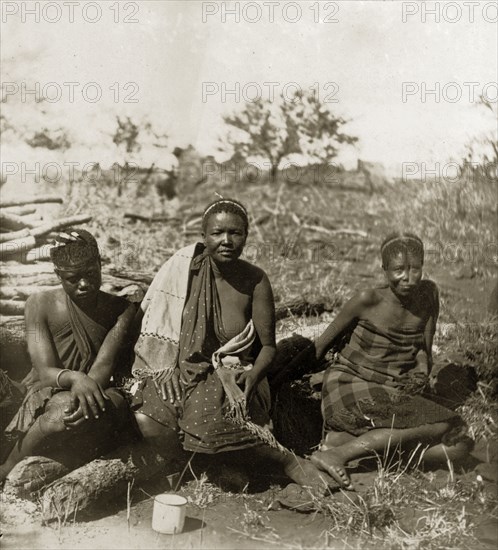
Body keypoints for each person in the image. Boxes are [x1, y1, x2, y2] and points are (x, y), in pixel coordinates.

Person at [130, 198, 333, 491]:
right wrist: (163, 368)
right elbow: (154, 323)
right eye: (217, 233)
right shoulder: (184, 271)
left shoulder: (255, 281)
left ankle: (286, 461)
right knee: (147, 418)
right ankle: (203, 462)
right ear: (204, 236)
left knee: (210, 419)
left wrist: (253, 375)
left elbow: (267, 348)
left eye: (235, 233)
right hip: (176, 369)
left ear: (246, 236)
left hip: (230, 372)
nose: (226, 240)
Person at [301, 233, 472, 490]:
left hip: (392, 389)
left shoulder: (428, 296)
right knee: (443, 423)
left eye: (415, 269)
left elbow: (424, 348)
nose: (408, 278)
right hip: (350, 383)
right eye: (399, 270)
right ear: (384, 270)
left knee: (461, 445)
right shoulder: (367, 299)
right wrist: (285, 376)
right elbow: (321, 344)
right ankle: (338, 454)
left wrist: (422, 370)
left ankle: (352, 445)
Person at [0, 229, 136, 481]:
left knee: (70, 408)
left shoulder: (121, 310)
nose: (84, 284)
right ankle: (8, 467)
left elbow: (104, 365)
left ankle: (11, 468)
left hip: (102, 388)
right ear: (58, 275)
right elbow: (43, 368)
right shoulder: (39, 304)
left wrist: (83, 384)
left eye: (91, 274)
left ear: (100, 263)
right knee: (62, 408)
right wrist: (74, 378)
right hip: (49, 386)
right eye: (73, 279)